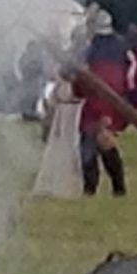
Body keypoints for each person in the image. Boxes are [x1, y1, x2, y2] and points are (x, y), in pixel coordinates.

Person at [79, 17, 130, 197]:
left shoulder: (103, 54)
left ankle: (113, 187)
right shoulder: (118, 50)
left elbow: (112, 83)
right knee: (89, 146)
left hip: (102, 102)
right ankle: (93, 187)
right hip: (100, 103)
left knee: (102, 144)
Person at [32, 66, 85, 197]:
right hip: (61, 116)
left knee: (73, 146)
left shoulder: (76, 86)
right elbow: (52, 103)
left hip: (75, 115)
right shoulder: (59, 87)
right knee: (59, 147)